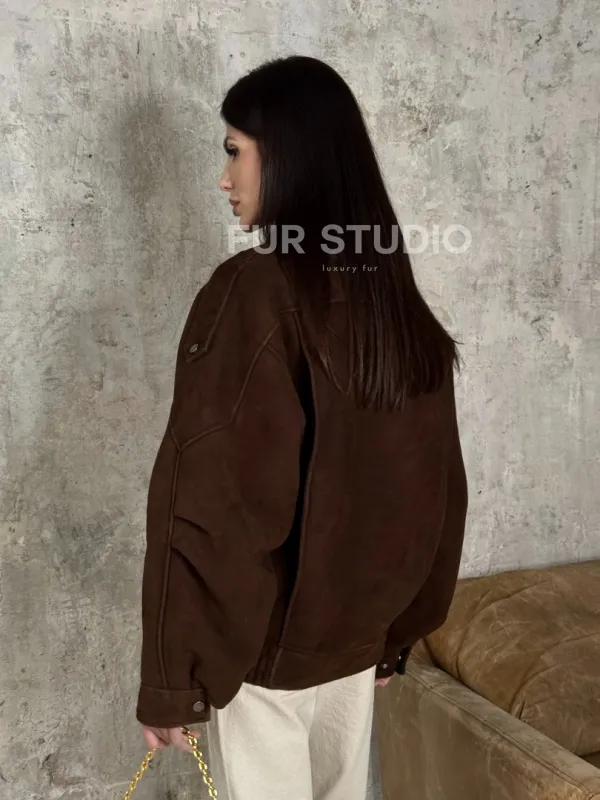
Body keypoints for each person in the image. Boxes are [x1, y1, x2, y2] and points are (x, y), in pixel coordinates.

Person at [135, 55, 468, 800]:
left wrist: (171, 679)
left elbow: (212, 500)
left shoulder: (256, 291)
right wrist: (395, 635)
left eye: (234, 151)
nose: (223, 179)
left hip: (265, 658)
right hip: (354, 648)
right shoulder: (392, 297)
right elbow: (435, 484)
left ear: (287, 155)